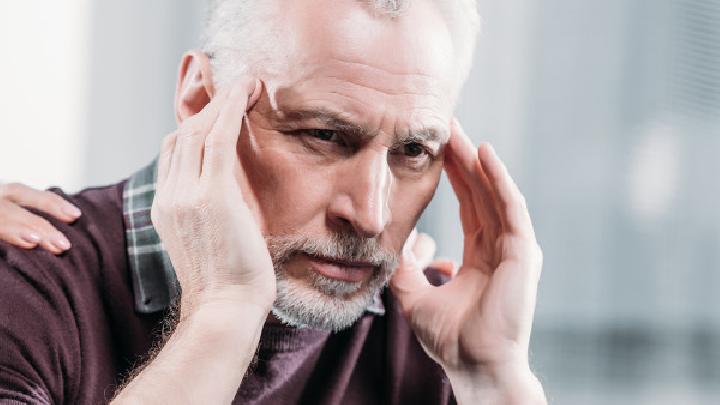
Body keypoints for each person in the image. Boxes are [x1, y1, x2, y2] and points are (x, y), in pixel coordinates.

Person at [0, 0, 546, 403]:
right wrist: (225, 313)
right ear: (201, 101)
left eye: (413, 151)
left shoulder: (437, 338)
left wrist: (492, 378)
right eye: (324, 135)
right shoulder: (25, 285)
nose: (370, 215)